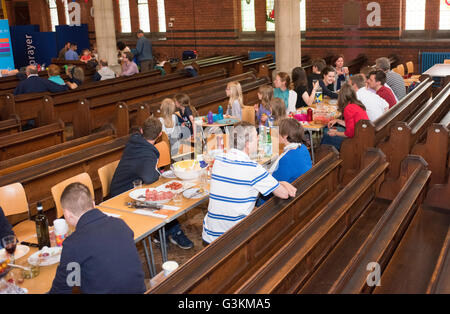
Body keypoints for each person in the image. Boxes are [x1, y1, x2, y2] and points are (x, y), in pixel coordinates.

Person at [202, 121, 297, 244]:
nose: (258, 139)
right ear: (247, 144)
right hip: (233, 239)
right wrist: (283, 182)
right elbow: (284, 194)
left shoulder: (218, 160)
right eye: (256, 137)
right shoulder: (253, 168)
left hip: (209, 235)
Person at [110, 117, 193, 249]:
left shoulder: (134, 143)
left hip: (123, 190)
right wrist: (158, 174)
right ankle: (170, 232)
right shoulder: (147, 152)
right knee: (163, 202)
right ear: (160, 135)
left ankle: (165, 232)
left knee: (163, 198)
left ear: (141, 130)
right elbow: (149, 177)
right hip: (122, 198)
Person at [49, 183, 146, 294]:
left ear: (67, 214)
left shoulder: (73, 243)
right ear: (94, 204)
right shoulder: (119, 223)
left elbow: (62, 289)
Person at [257, 118, 312, 205]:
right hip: (300, 188)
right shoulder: (302, 147)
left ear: (285, 136)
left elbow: (272, 184)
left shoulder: (287, 159)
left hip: (279, 202)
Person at [320, 83, 369, 150]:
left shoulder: (348, 108)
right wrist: (337, 120)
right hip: (362, 137)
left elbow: (349, 134)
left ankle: (326, 156)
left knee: (326, 135)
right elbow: (352, 125)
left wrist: (336, 133)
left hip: (356, 142)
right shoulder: (356, 103)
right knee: (329, 130)